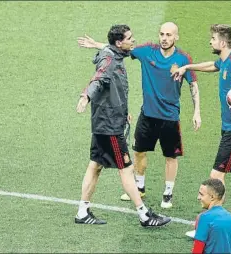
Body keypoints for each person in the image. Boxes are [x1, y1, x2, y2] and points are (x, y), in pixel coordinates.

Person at [77, 22, 201, 209]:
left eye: (168, 35)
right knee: (139, 151)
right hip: (147, 115)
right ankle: (140, 187)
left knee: (170, 156)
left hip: (170, 116)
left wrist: (196, 111)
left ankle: (167, 193)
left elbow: (193, 85)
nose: (164, 38)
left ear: (176, 37)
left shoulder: (183, 59)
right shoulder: (147, 51)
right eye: (161, 34)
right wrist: (96, 45)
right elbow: (117, 49)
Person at [75, 24, 171, 227]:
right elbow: (99, 78)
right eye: (130, 38)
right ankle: (144, 214)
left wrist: (124, 111)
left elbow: (114, 86)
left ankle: (82, 211)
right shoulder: (109, 59)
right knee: (126, 168)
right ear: (119, 43)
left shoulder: (115, 54)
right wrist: (86, 96)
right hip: (109, 126)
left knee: (95, 165)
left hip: (107, 121)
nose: (133, 40)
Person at [172, 24, 231, 235]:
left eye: (213, 38)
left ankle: (207, 227)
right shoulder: (225, 61)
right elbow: (213, 66)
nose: (210, 42)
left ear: (223, 43)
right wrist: (189, 67)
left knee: (215, 179)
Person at [192, 179, 231, 254]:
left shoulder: (204, 217)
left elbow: (197, 250)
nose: (198, 197)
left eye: (201, 194)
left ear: (212, 197)